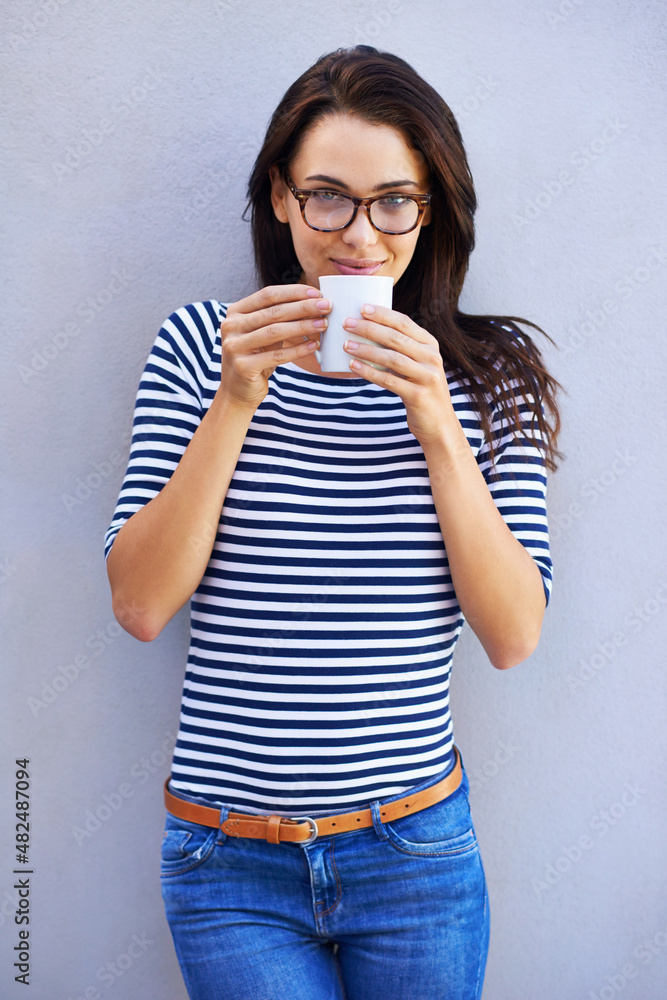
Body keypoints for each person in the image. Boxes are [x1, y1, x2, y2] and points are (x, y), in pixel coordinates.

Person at [105, 45, 560, 1000]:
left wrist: (435, 420)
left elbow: (514, 634)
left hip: (415, 859)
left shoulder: (487, 376)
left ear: (429, 210)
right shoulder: (200, 346)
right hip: (227, 865)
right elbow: (142, 605)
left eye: (395, 200)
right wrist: (236, 399)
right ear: (279, 197)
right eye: (327, 196)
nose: (360, 235)